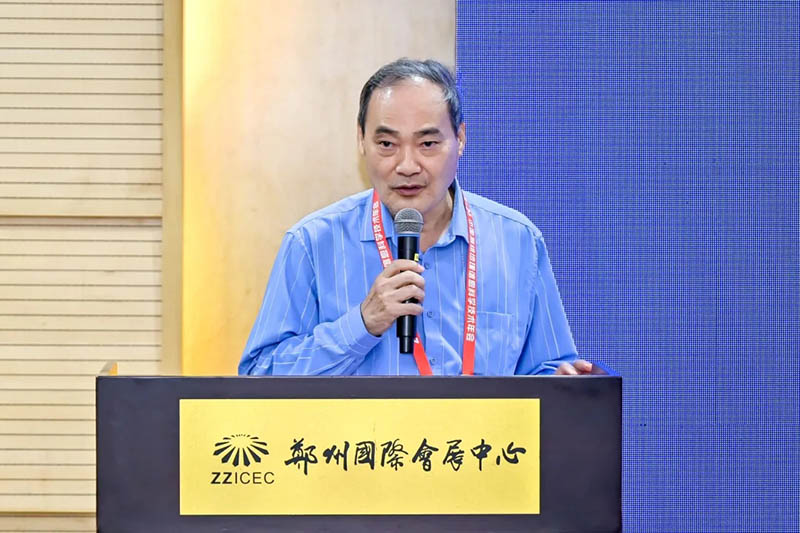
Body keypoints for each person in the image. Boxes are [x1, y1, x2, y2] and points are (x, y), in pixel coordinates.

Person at [239, 58, 592, 376]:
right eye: (387, 145)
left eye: (427, 144)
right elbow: (259, 376)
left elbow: (546, 368)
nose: (407, 166)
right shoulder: (312, 244)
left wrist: (560, 384)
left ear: (460, 139)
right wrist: (362, 324)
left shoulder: (517, 241)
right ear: (361, 141)